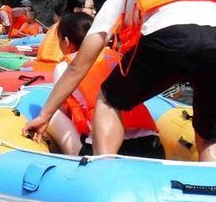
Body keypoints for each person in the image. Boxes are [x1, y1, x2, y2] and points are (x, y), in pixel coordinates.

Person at [23, 0, 216, 162]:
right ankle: (215, 191)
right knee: (210, 137)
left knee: (109, 98)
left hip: (168, 37)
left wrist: (44, 116)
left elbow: (78, 66)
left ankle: (104, 170)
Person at [39, 12, 156, 155]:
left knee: (53, 113)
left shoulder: (64, 68)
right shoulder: (118, 57)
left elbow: (63, 109)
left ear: (67, 41)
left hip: (103, 152)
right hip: (151, 145)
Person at [32, 0, 94, 70]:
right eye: (91, 8)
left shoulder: (58, 25)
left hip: (43, 67)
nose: (94, 11)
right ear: (77, 9)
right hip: (57, 68)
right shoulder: (76, 27)